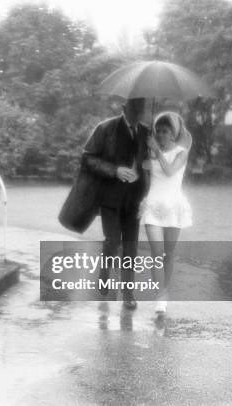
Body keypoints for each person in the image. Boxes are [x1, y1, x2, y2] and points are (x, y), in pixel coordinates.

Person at [82, 98, 149, 309]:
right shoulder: (105, 129)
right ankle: (104, 270)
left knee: (131, 247)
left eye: (140, 110)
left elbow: (149, 164)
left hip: (134, 200)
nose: (137, 114)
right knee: (112, 241)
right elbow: (88, 157)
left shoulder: (146, 133)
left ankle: (128, 292)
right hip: (110, 198)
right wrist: (115, 170)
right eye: (133, 110)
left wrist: (145, 183)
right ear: (124, 109)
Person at [140, 111, 192, 314]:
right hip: (153, 207)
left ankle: (165, 290)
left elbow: (170, 171)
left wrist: (157, 152)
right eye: (158, 131)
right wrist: (148, 154)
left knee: (168, 254)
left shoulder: (181, 152)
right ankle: (159, 296)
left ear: (173, 134)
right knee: (156, 254)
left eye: (165, 131)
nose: (160, 134)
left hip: (173, 207)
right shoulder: (151, 152)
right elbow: (141, 169)